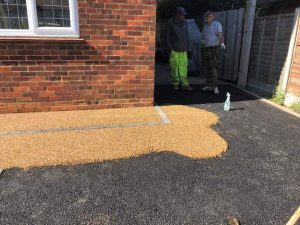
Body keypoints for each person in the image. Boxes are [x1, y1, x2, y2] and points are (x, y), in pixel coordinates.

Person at [166, 7, 193, 91]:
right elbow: (167, 36)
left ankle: (184, 84)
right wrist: (170, 49)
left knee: (183, 68)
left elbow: (187, 36)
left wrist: (188, 48)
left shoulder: (185, 23)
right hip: (174, 50)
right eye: (182, 15)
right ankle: (175, 84)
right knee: (174, 68)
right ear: (177, 14)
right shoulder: (170, 22)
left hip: (184, 50)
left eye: (184, 15)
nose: (184, 16)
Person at [201, 10, 225, 94]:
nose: (207, 18)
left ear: (212, 17)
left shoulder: (217, 24)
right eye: (206, 17)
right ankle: (209, 85)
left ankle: (215, 87)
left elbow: (220, 35)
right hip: (206, 49)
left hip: (214, 49)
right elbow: (203, 37)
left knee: (213, 67)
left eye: (209, 16)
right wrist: (203, 41)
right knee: (207, 67)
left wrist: (222, 43)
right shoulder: (204, 26)